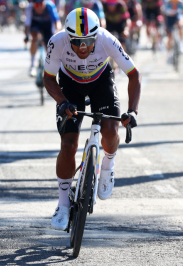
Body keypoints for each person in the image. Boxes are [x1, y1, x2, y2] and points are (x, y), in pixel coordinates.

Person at [43, 8, 141, 230]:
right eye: (77, 41)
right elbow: (48, 79)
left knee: (110, 132)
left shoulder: (107, 39)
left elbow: (134, 74)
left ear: (96, 35)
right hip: (70, 86)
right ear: (68, 37)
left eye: (88, 40)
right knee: (68, 145)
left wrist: (132, 111)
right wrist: (62, 101)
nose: (83, 47)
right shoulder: (57, 42)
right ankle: (63, 204)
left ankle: (108, 164)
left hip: (100, 83)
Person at [24, 0, 62, 77]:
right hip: (35, 24)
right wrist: (26, 36)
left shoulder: (50, 6)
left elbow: (57, 22)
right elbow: (27, 25)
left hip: (47, 25)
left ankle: (51, 66)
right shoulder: (29, 8)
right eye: (36, 5)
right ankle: (32, 66)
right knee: (35, 38)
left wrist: (57, 32)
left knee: (50, 46)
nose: (39, 7)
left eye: (41, 4)